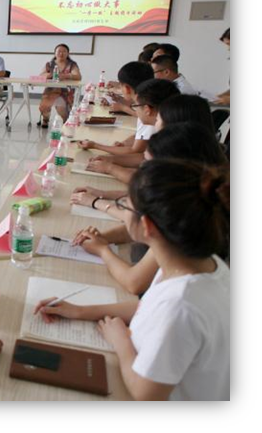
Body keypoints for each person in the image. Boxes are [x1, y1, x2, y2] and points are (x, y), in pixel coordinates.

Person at [38, 160, 229, 401]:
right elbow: (150, 306)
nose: (122, 212)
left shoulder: (182, 306)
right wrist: (82, 311)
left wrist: (121, 341)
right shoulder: (198, 262)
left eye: (124, 206)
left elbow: (145, 394)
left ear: (147, 226)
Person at [70, 122, 228, 293]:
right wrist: (103, 238)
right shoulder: (190, 201)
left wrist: (102, 250)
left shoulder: (183, 225)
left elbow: (134, 282)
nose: (141, 167)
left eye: (147, 163)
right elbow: (139, 223)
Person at [82, 79, 180, 178]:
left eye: (135, 106)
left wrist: (109, 168)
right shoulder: (166, 129)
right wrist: (111, 159)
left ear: (147, 110)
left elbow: (147, 180)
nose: (135, 110)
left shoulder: (171, 138)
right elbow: (144, 158)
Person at [78, 61, 154, 159]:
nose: (120, 88)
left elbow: (135, 151)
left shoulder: (146, 110)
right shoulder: (146, 103)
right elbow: (141, 135)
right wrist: (124, 143)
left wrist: (95, 146)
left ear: (127, 88)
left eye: (120, 85)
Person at [38, 43, 82, 127]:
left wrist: (65, 76)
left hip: (65, 91)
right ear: (55, 53)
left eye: (64, 51)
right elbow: (41, 76)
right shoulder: (49, 64)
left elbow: (78, 76)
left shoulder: (71, 64)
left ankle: (65, 122)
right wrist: (49, 75)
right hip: (51, 90)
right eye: (59, 51)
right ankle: (45, 120)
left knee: (61, 109)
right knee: (44, 106)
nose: (61, 54)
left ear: (68, 53)